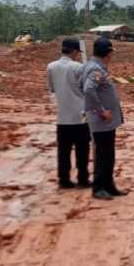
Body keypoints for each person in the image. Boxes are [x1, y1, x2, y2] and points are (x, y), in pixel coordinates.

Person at [82, 37, 128, 200]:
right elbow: (88, 89)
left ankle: (109, 186)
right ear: (108, 53)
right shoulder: (96, 69)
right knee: (103, 154)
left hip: (105, 122)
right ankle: (99, 188)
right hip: (102, 120)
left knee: (108, 154)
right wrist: (101, 110)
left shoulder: (95, 66)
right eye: (111, 52)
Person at [46, 38, 90, 189]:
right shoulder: (79, 67)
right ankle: (83, 179)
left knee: (63, 151)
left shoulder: (51, 67)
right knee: (82, 149)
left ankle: (64, 179)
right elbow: (87, 88)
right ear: (74, 51)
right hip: (80, 115)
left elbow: (52, 88)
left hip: (63, 116)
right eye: (77, 53)